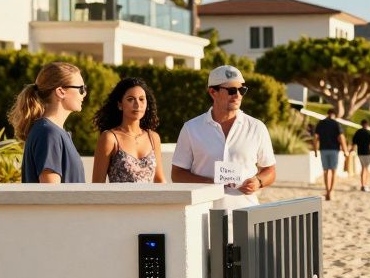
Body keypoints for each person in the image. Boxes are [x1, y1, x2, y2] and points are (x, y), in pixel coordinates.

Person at [170, 65, 276, 210]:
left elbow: (270, 170)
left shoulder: (257, 127)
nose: (238, 95)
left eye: (242, 90)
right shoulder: (191, 128)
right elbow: (177, 174)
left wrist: (258, 181)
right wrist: (209, 183)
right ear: (213, 92)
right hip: (202, 212)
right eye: (232, 90)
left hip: (246, 212)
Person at [8, 61, 87, 184]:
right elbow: (51, 195)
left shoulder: (53, 132)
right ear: (60, 91)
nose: (84, 94)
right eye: (81, 89)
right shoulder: (48, 133)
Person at [91, 77, 164, 183]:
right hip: (118, 200)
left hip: (150, 200)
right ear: (120, 105)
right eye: (130, 99)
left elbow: (160, 180)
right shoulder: (110, 138)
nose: (137, 105)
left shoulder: (153, 138)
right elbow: (97, 185)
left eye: (141, 99)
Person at [312, 107, 346, 200]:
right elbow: (340, 138)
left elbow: (315, 137)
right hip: (334, 150)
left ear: (327, 113)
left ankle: (327, 191)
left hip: (323, 150)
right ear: (334, 114)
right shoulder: (336, 123)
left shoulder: (321, 123)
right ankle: (331, 192)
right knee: (334, 171)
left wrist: (315, 150)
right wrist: (345, 150)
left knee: (326, 171)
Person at [350, 117, 370, 192]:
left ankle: (363, 184)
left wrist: (350, 151)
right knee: (366, 169)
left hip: (360, 153)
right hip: (367, 153)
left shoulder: (357, 132)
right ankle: (364, 184)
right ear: (367, 125)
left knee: (363, 168)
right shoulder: (369, 133)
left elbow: (354, 144)